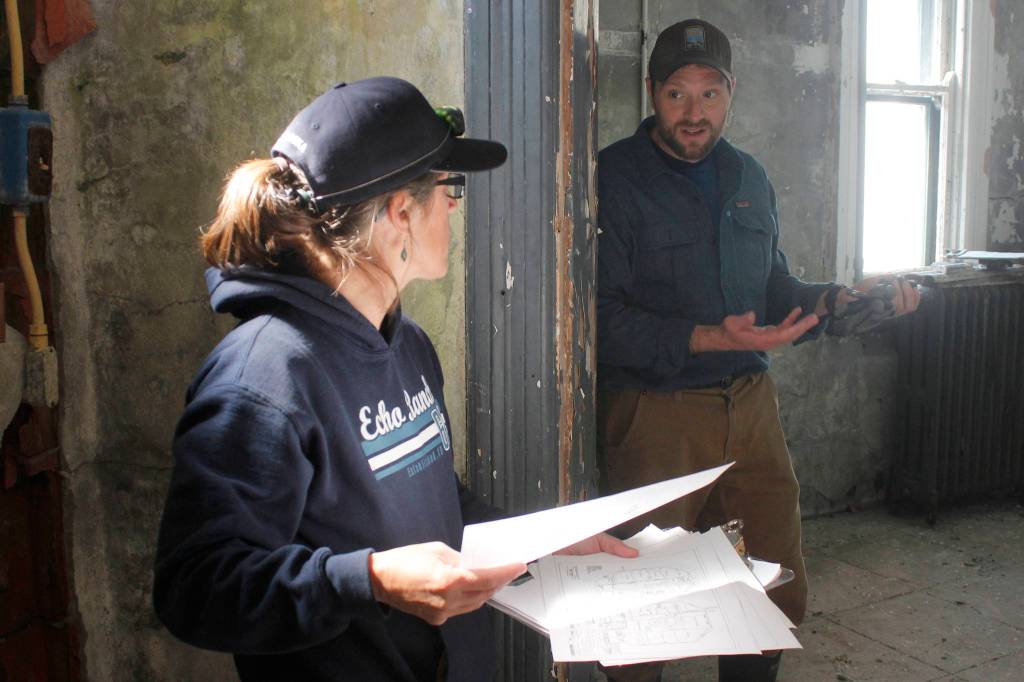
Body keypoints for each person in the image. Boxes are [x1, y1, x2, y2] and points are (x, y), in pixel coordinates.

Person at [153, 76, 634, 682]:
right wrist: (373, 580)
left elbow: (436, 506)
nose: (456, 207)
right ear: (401, 213)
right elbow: (193, 588)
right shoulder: (264, 378)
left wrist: (540, 546)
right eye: (448, 188)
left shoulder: (405, 343)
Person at [595, 19, 920, 682]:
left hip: (749, 408)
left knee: (770, 583)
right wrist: (713, 336)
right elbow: (600, 320)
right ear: (651, 91)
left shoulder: (748, 175)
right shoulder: (614, 178)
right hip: (657, 415)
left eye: (710, 95)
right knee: (641, 603)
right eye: (678, 94)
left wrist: (836, 301)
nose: (694, 113)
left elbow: (773, 286)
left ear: (731, 92)